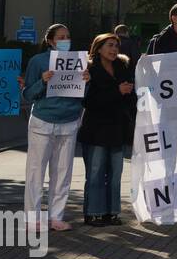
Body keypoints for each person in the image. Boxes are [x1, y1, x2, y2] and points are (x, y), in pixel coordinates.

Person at [21, 23, 84, 232]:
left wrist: (88, 80)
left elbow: (83, 94)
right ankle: (33, 218)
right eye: (60, 37)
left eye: (68, 36)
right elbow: (28, 94)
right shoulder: (38, 61)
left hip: (69, 120)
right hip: (43, 121)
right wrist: (42, 81)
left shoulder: (78, 61)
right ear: (50, 41)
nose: (65, 40)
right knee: (36, 172)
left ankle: (57, 216)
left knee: (63, 173)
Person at [79, 32, 135, 226]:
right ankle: (93, 212)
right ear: (99, 47)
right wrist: (117, 91)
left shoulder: (122, 66)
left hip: (118, 128)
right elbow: (89, 101)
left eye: (116, 46)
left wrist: (128, 92)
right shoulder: (89, 68)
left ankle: (111, 212)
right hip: (96, 129)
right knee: (95, 173)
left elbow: (130, 97)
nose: (114, 49)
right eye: (110, 45)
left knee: (115, 174)